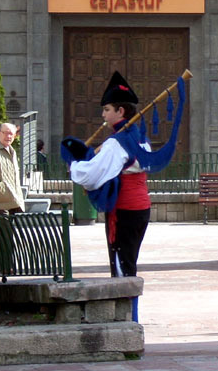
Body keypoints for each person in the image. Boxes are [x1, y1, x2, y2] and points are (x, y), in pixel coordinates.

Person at [61, 71, 186, 322]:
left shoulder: (116, 143)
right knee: (128, 261)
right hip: (140, 208)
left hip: (125, 210)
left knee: (122, 264)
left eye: (107, 109)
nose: (103, 115)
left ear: (120, 112)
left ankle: (128, 320)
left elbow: (93, 174)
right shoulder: (140, 138)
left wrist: (74, 165)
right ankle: (128, 318)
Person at [0, 122, 25, 215]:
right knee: (5, 229)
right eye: (5, 133)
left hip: (13, 201)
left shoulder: (12, 151)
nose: (8, 136)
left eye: (11, 133)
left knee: (10, 229)